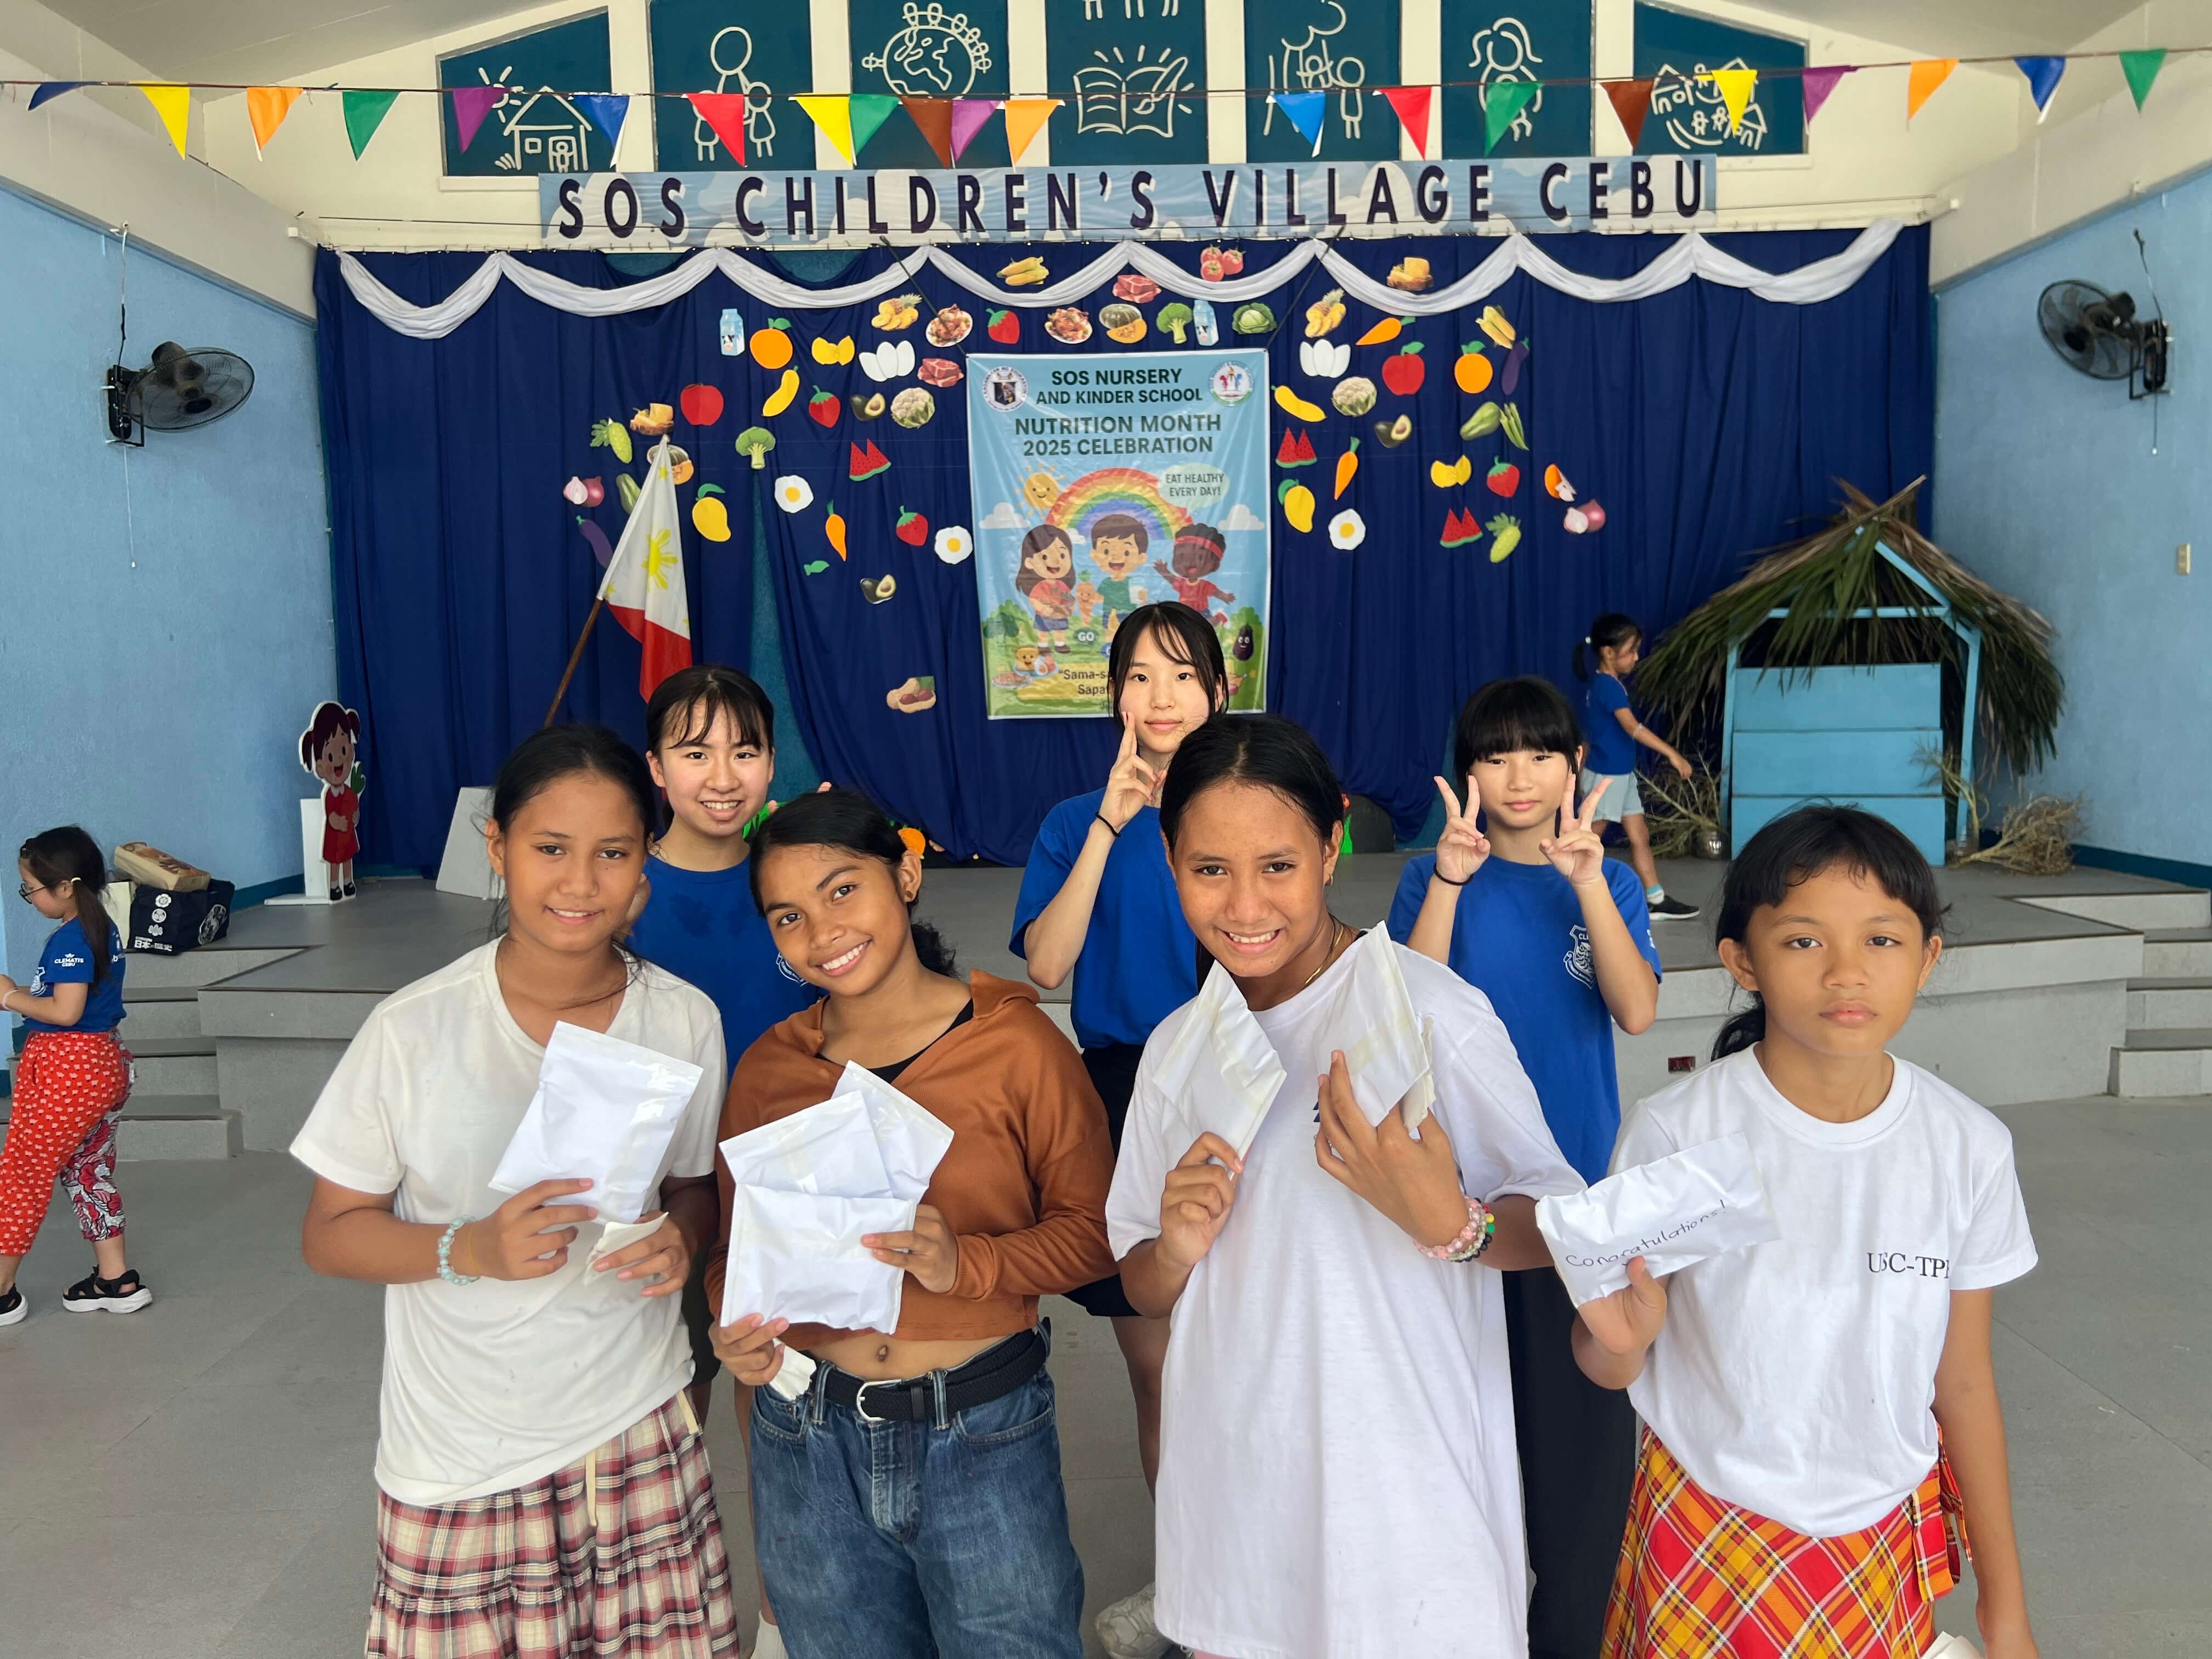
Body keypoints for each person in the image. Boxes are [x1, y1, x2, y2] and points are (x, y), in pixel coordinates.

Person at [1107, 715, 1582, 1659]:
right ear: (1169, 859)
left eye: (1278, 865)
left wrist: (1456, 1224)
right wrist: (1174, 1247)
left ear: (1331, 850)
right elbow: (1140, 1282)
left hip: (1406, 1509)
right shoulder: (1176, 1048)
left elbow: (1564, 1225)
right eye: (1210, 868)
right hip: (1243, 1504)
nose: (1245, 903)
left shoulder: (1429, 1013)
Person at [293, 725, 738, 1658]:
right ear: (497, 848)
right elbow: (331, 1231)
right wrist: (469, 1247)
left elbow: (694, 1186)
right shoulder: (412, 1030)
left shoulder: (683, 1019)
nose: (580, 882)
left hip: (636, 1420)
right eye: (550, 848)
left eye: (612, 852)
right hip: (463, 1449)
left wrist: (681, 1234)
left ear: (645, 863)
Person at [1576, 806, 2040, 1659]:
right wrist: (1624, 1342)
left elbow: (1965, 1382)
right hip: (1703, 1527)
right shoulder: (1680, 1134)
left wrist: (2005, 1610)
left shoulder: (1968, 1147)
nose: (1846, 972)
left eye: (1882, 940)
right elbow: (1608, 1358)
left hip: (1878, 1538)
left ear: (1928, 958)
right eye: (1803, 941)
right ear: (1742, 961)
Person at [710, 788, 1115, 1659]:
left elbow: (1093, 1235)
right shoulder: (772, 1070)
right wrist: (735, 1326)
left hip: (980, 1431)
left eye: (842, 890)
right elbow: (731, 1255)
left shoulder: (1016, 1045)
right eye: (789, 916)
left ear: (905, 874)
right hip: (808, 1440)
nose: (822, 932)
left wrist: (965, 1263)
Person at [1387, 677, 1661, 1659]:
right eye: (1495, 755)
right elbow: (1400, 1016)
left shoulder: (1605, 882)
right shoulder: (1430, 878)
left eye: (1540, 753)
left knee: (1580, 1460)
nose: (1518, 776)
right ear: (1465, 771)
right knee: (1465, 1442)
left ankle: (1569, 1637)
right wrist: (1450, 881)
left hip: (1573, 1204)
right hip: (1454, 1203)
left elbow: (1637, 1011)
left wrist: (1587, 881)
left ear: (1574, 766)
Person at [1009, 602, 1227, 1659]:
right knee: (1160, 1366)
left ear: (1218, 694)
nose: (1161, 696)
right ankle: (1190, 1586)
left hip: (1242, 1082)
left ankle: (1264, 1575)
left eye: (1182, 675)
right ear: (1114, 696)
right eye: (1140, 675)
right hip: (1129, 1091)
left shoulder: (1246, 805)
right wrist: (1109, 821)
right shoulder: (1071, 821)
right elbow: (1048, 963)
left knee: (1259, 1345)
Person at [0, 827, 145, 1325]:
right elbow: (72, 1001)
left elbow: (66, 1012)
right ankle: (115, 1280)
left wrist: (9, 997)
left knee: (23, 1173)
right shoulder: (99, 925)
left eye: (31, 889)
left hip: (69, 1071)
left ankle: (2, 1291)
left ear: (65, 887)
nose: (29, 898)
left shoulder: (70, 939)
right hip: (103, 1063)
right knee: (88, 1168)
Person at [1574, 613, 1698, 919]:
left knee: (1639, 835)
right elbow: (1632, 727)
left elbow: (1592, 734)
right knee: (1588, 837)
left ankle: (1656, 898)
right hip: (1607, 777)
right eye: (1631, 651)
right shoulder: (1607, 687)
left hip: (1620, 776)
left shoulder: (1608, 685)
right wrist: (1672, 754)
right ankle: (1565, 892)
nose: (1636, 658)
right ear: (1608, 653)